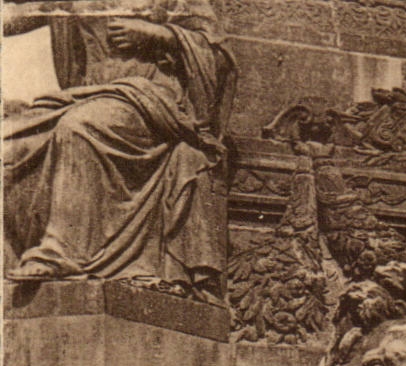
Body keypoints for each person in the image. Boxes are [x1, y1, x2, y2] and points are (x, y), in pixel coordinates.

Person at [3, 1, 234, 295]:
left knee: (81, 127)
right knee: (12, 146)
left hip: (149, 97)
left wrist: (159, 35)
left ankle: (62, 251)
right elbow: (14, 19)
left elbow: (218, 53)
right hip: (85, 93)